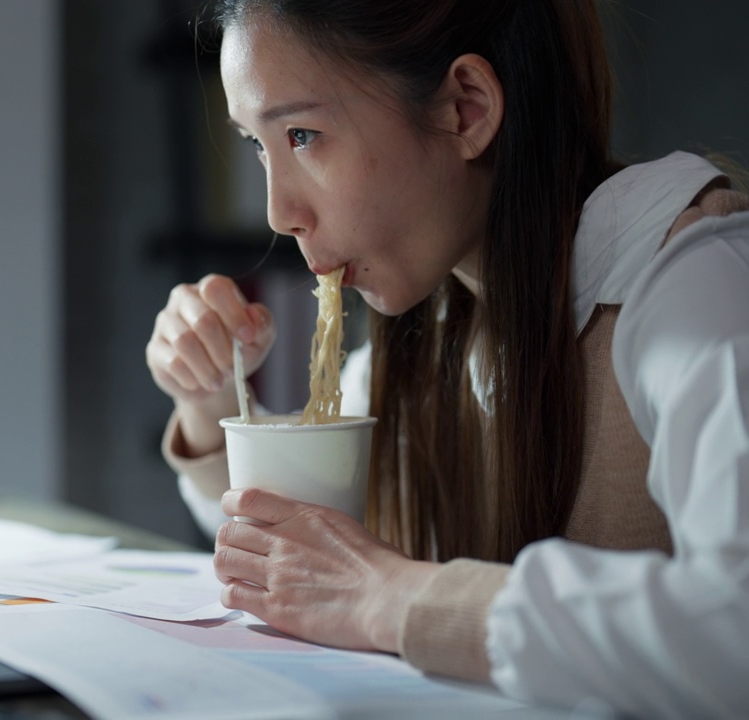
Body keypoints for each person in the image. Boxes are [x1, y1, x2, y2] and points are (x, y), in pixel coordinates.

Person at [144, 0, 749, 716]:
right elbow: (304, 562)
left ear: (465, 109)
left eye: (303, 134)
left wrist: (397, 598)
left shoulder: (694, 280)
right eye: (256, 143)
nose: (279, 213)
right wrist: (213, 400)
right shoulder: (436, 314)